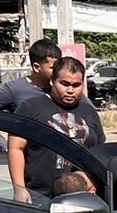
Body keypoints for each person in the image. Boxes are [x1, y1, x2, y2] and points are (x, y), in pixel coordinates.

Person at [9, 56, 106, 199]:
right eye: (64, 84)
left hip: (84, 197)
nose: (70, 90)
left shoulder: (89, 111)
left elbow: (101, 153)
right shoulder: (30, 108)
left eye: (76, 85)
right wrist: (19, 189)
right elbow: (16, 148)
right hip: (41, 197)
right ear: (52, 80)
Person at [0, 38, 62, 149]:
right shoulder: (14, 90)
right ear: (37, 67)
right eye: (52, 68)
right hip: (29, 160)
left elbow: (88, 112)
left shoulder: (63, 88)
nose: (58, 71)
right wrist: (5, 145)